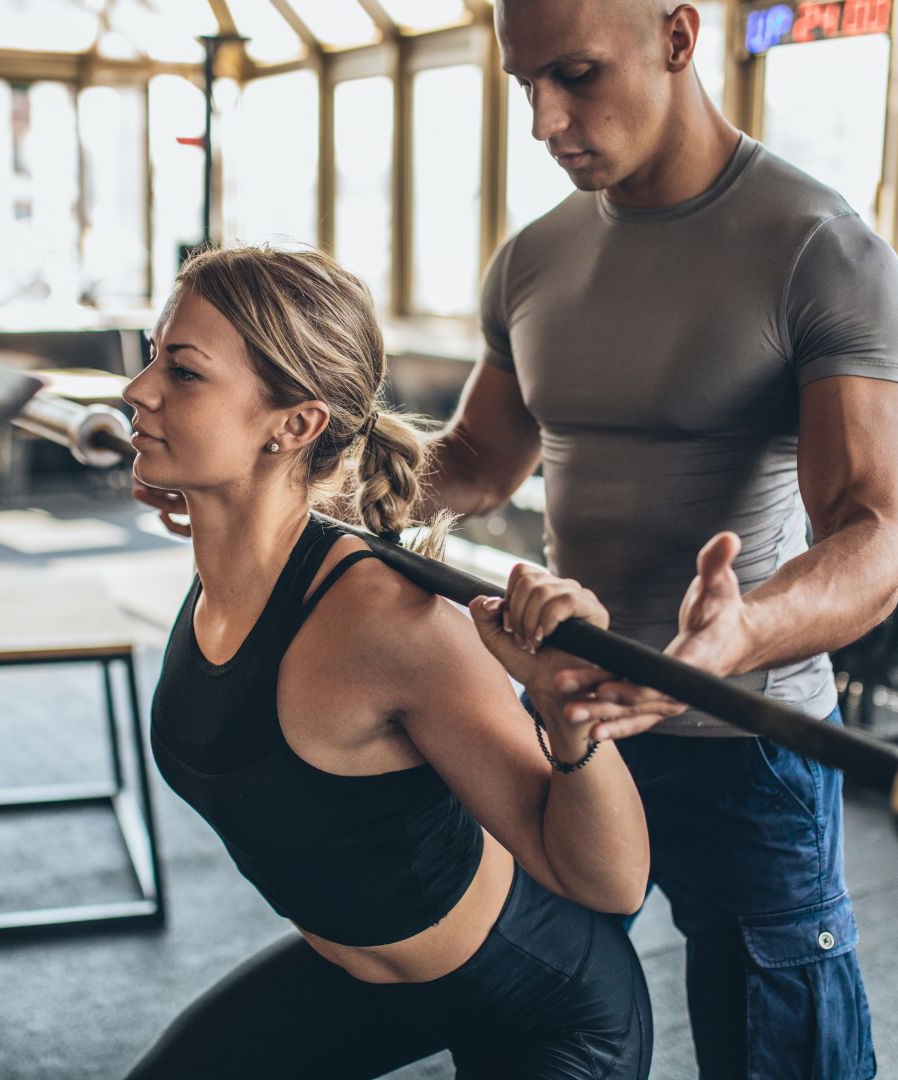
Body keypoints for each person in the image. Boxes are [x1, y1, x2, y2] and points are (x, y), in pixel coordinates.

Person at [404, 2, 898, 1078]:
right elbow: (476, 464)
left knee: (777, 1058)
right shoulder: (531, 259)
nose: (544, 118)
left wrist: (742, 634)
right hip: (567, 729)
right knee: (537, 1034)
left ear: (678, 38)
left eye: (576, 75)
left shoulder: (821, 249)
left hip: (747, 743)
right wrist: (294, 467)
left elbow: (875, 531)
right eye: (523, 83)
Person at [122, 245, 655, 1080]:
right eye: (152, 356)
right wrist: (201, 494)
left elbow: (612, 886)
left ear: (295, 425)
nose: (137, 390)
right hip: (373, 984)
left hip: (547, 1011)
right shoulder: (226, 567)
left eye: (182, 373)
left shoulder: (388, 623)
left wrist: (566, 715)